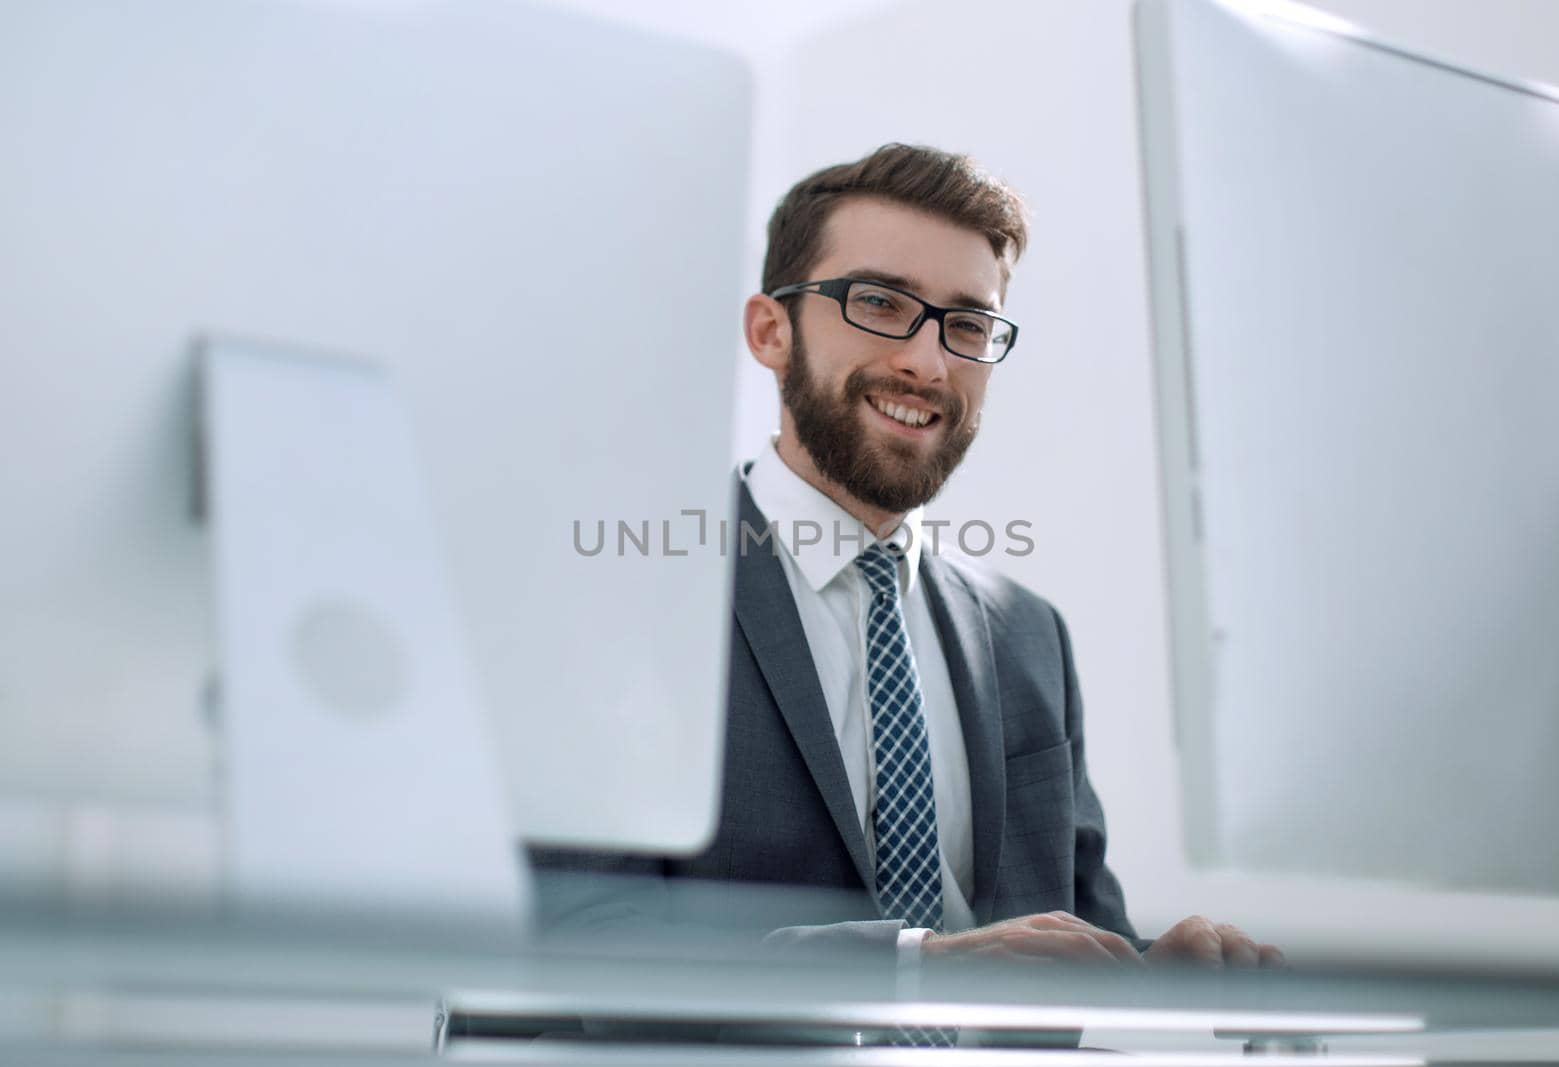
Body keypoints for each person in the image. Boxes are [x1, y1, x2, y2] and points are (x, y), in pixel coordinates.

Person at [532, 143, 1283, 971]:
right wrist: (914, 969)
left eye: (966, 324)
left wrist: (1153, 969)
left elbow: (1066, 937)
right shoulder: (620, 599)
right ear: (770, 330)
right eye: (880, 304)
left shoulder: (1030, 638)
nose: (927, 362)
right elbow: (578, 940)